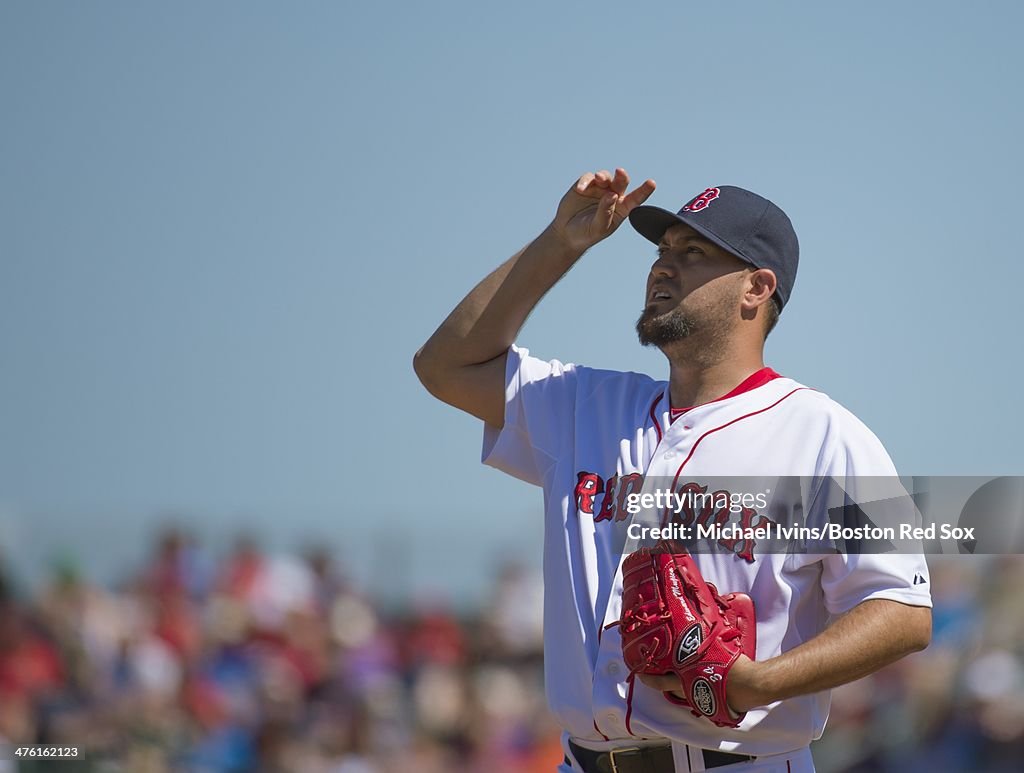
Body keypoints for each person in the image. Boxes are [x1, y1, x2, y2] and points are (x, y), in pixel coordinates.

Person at [414, 168, 932, 772]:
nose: (663, 266)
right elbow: (445, 365)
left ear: (756, 288)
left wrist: (760, 683)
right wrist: (559, 243)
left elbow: (901, 610)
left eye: (693, 252)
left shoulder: (824, 435)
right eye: (662, 251)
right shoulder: (586, 406)